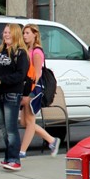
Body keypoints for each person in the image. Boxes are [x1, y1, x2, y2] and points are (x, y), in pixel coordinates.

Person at [19, 24, 60, 157]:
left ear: (35, 34)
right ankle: (52, 140)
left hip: (34, 89)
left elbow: (36, 74)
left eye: (27, 33)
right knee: (24, 122)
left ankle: (21, 151)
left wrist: (28, 92)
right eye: (24, 33)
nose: (25, 35)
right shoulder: (26, 49)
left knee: (30, 122)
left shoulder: (37, 51)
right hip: (26, 88)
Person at [0, 24, 30, 171]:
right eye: (5, 32)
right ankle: (8, 158)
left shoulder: (20, 53)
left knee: (11, 128)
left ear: (15, 34)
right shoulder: (1, 51)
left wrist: (2, 80)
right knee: (3, 128)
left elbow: (21, 75)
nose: (6, 34)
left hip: (11, 94)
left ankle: (15, 160)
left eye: (9, 32)